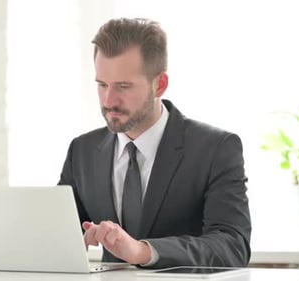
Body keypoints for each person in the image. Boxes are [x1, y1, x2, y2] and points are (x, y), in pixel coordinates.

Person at [58, 18, 251, 268]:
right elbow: (57, 236)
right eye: (102, 84)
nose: (108, 100)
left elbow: (232, 246)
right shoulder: (81, 151)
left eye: (123, 86)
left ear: (159, 84)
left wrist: (144, 251)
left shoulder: (216, 148)